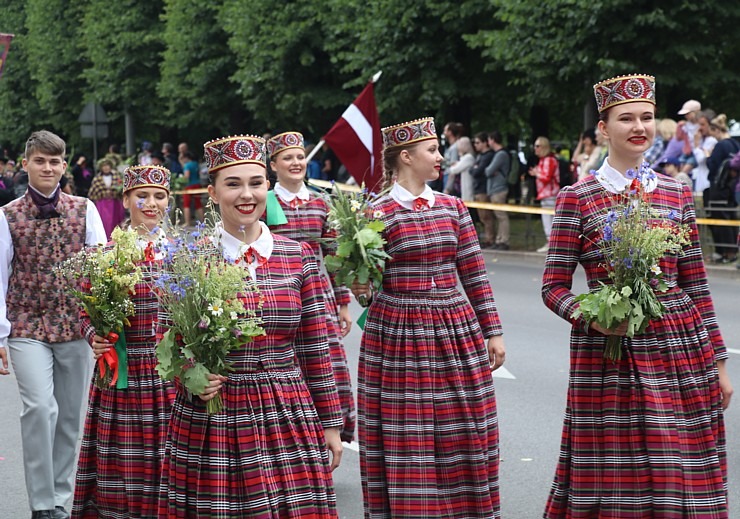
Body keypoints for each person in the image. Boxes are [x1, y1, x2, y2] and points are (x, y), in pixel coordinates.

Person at [542, 74, 732, 518]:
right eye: (626, 118)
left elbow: (696, 285)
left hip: (679, 348)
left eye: (646, 117)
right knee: (615, 469)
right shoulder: (578, 197)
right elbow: (553, 287)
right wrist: (592, 317)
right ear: (603, 129)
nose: (639, 127)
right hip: (608, 353)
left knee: (676, 463)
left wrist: (719, 362)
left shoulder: (676, 193)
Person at [159, 134, 343, 518]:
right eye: (233, 184)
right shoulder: (190, 260)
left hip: (287, 412)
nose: (247, 194)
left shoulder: (300, 257)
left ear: (268, 188)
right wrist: (191, 375)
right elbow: (166, 343)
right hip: (213, 417)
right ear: (211, 192)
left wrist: (330, 424)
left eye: (256, 183)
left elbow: (315, 349)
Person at [351, 117, 506, 518]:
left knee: (463, 428)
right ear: (406, 156)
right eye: (432, 150)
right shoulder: (374, 212)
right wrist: (356, 280)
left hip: (456, 331)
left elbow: (473, 273)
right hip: (397, 333)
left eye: (438, 149)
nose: (440, 157)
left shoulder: (453, 207)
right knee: (409, 433)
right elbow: (365, 284)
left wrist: (493, 331)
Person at [0, 130, 106, 519]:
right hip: (26, 324)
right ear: (25, 164)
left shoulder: (85, 208)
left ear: (64, 166)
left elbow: (101, 268)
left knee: (69, 415)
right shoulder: (6, 215)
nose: (47, 167)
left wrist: (101, 323)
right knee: (40, 408)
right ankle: (43, 504)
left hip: (75, 326)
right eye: (40, 160)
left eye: (54, 161)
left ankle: (61, 499)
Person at [72, 165, 176, 518]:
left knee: (171, 459)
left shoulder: (183, 254)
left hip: (170, 375)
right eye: (142, 196)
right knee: (126, 462)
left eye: (159, 197)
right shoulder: (106, 253)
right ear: (126, 200)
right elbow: (84, 310)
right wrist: (95, 337)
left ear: (168, 201)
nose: (151, 203)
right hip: (123, 374)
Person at [266, 130, 357, 442]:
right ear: (273, 165)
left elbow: (334, 254)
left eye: (300, 157)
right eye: (287, 158)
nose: (295, 162)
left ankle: (326, 433)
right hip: (276, 295)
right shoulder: (265, 202)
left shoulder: (321, 203)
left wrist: (343, 303)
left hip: (317, 295)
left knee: (323, 365)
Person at [705, 113, 740, 264]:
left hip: (719, 189)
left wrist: (708, 156)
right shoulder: (734, 144)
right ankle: (732, 251)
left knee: (721, 219)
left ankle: (726, 252)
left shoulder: (720, 146)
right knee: (731, 218)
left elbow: (712, 167)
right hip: (732, 188)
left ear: (716, 130)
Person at [529, 136, 560, 252]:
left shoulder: (549, 160)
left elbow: (546, 177)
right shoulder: (545, 160)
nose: (535, 149)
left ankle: (551, 243)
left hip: (550, 194)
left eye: (537, 146)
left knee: (549, 220)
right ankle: (551, 242)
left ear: (544, 147)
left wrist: (536, 173)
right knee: (548, 220)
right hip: (546, 195)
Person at [86, 157, 125, 239]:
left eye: (107, 165)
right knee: (104, 222)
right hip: (102, 204)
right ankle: (105, 239)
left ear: (110, 166)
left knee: (116, 221)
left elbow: (122, 188)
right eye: (104, 166)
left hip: (115, 203)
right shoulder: (97, 178)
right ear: (101, 167)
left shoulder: (117, 176)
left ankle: (117, 239)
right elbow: (92, 192)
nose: (106, 168)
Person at [485, 130, 511, 250]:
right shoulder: (500, 154)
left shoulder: (501, 154)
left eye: (489, 139)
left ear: (493, 140)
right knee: (498, 215)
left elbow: (488, 171)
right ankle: (499, 239)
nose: (488, 142)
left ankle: (503, 240)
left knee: (501, 215)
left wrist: (491, 171)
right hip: (495, 188)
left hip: (498, 188)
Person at [470, 132, 496, 247]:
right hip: (478, 188)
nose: (475, 145)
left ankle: (490, 239)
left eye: (478, 142)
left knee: (486, 216)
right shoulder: (480, 156)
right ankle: (487, 237)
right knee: (482, 216)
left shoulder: (488, 156)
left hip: (483, 189)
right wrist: (474, 169)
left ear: (485, 143)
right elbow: (473, 170)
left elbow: (477, 171)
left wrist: (475, 169)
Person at [447, 136, 475, 201]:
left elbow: (454, 170)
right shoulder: (465, 157)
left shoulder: (468, 157)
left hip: (468, 185)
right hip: (464, 186)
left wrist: (454, 165)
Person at [181, 150, 204, 227]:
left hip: (189, 186)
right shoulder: (197, 164)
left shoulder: (187, 165)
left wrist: (181, 180)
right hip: (197, 185)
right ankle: (202, 222)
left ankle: (187, 222)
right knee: (198, 203)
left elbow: (186, 176)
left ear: (187, 158)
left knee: (186, 204)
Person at [441, 121, 464, 194]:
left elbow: (453, 164)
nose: (444, 132)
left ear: (450, 132)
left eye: (445, 130)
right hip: (447, 174)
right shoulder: (451, 147)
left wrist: (443, 162)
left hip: (450, 176)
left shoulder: (454, 147)